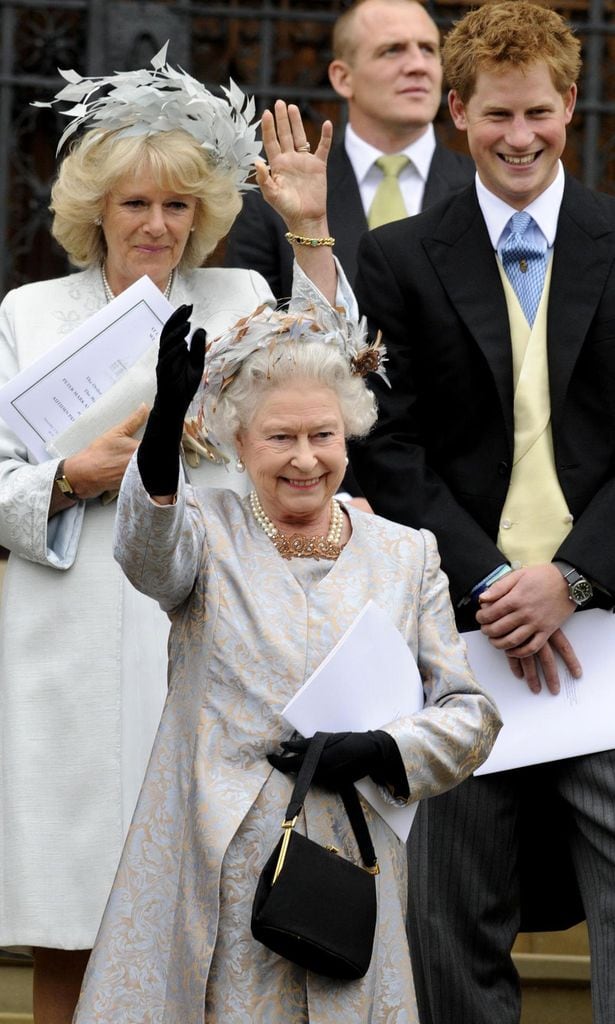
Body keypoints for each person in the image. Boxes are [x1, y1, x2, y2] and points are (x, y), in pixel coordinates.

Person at [0, 45, 356, 1024]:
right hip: (64, 644)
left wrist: (313, 233)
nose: (156, 224)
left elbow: (330, 389)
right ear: (94, 211)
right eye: (133, 204)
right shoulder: (28, 315)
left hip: (200, 632)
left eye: (175, 205)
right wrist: (81, 474)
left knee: (213, 926)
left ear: (200, 211)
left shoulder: (238, 303)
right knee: (72, 924)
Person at [72, 300, 501, 1022]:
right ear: (240, 443)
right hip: (215, 862)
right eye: (280, 437)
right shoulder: (207, 532)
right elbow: (148, 560)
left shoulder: (405, 554)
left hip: (344, 863)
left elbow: (469, 714)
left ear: (350, 434)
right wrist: (159, 436)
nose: (305, 459)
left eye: (322, 435)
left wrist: (382, 747)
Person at [350, 2, 615, 1021]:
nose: (519, 137)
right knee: (450, 929)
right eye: (496, 114)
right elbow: (389, 445)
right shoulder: (403, 258)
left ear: (571, 106)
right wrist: (498, 581)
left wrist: (575, 576)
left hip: (604, 631)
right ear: (456, 112)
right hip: (464, 641)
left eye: (539, 114)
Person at [225, 0, 474, 298]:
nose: (418, 66)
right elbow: (251, 329)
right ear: (343, 78)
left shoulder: (482, 187)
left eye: (428, 49)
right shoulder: (274, 198)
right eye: (392, 50)